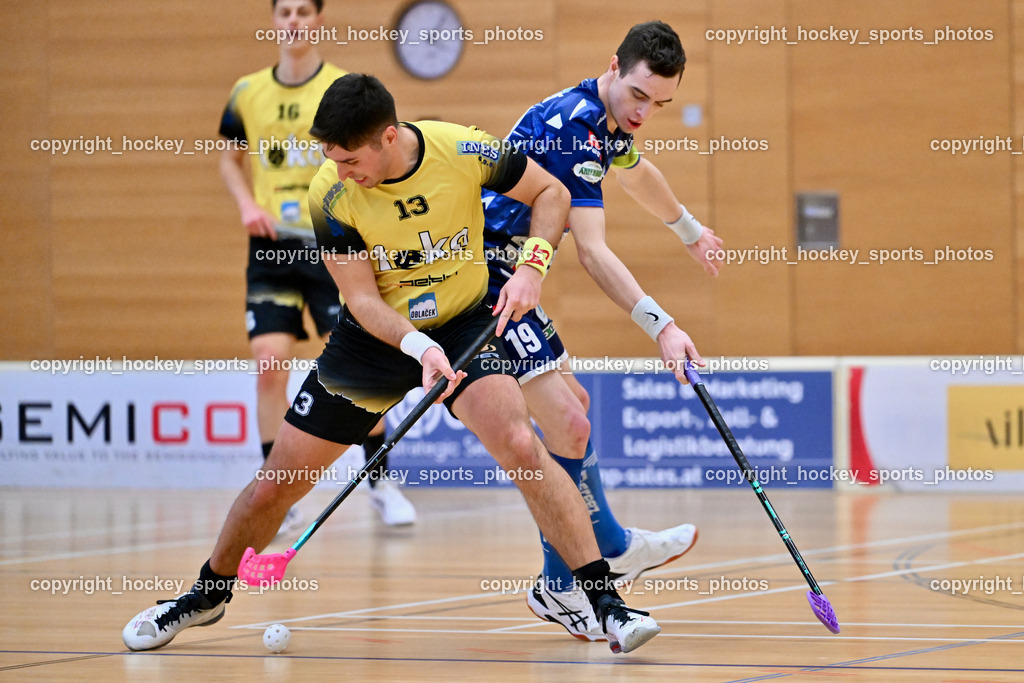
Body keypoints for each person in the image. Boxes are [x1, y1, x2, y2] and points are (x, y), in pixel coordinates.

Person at [122, 73, 663, 655]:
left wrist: (533, 265)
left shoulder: (462, 149)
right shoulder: (330, 191)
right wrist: (417, 348)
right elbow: (360, 300)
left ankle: (603, 600)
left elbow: (551, 193)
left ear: (387, 137)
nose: (341, 170)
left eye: (350, 158)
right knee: (273, 488)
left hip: (464, 323)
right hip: (375, 340)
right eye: (332, 158)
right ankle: (206, 595)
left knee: (522, 446)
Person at [482, 20, 723, 640]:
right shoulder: (574, 129)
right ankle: (566, 581)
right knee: (569, 420)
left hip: (515, 274)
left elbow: (639, 174)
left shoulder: (606, 122)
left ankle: (604, 548)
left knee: (576, 413)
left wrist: (690, 231)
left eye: (659, 104)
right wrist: (663, 325)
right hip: (481, 281)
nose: (645, 112)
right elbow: (590, 251)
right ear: (613, 66)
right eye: (639, 95)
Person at [218, 0, 413, 527]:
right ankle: (276, 494)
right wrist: (246, 204)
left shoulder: (341, 89)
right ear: (275, 20)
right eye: (285, 12)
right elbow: (229, 157)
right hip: (273, 250)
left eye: (304, 11)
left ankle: (380, 481)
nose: (294, 21)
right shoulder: (247, 91)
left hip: (333, 245)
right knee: (268, 367)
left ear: (319, 19)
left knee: (360, 370)